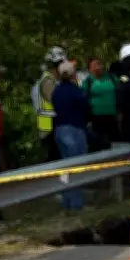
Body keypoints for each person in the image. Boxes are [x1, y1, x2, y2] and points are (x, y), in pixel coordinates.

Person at [51, 61, 89, 211]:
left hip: (59, 130)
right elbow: (85, 108)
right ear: (72, 73)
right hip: (75, 130)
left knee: (66, 167)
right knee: (77, 168)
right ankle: (76, 204)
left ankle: (67, 201)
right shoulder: (76, 91)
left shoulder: (56, 91)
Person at [34, 47, 67, 162]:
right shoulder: (48, 81)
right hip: (50, 128)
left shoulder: (52, 79)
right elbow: (57, 102)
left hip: (53, 127)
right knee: (55, 160)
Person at [81, 57, 119, 148]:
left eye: (99, 64)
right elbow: (83, 98)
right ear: (90, 69)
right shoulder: (88, 82)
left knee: (116, 143)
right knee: (100, 143)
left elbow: (120, 93)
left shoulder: (112, 78)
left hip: (113, 117)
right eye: (94, 66)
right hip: (97, 118)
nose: (97, 67)